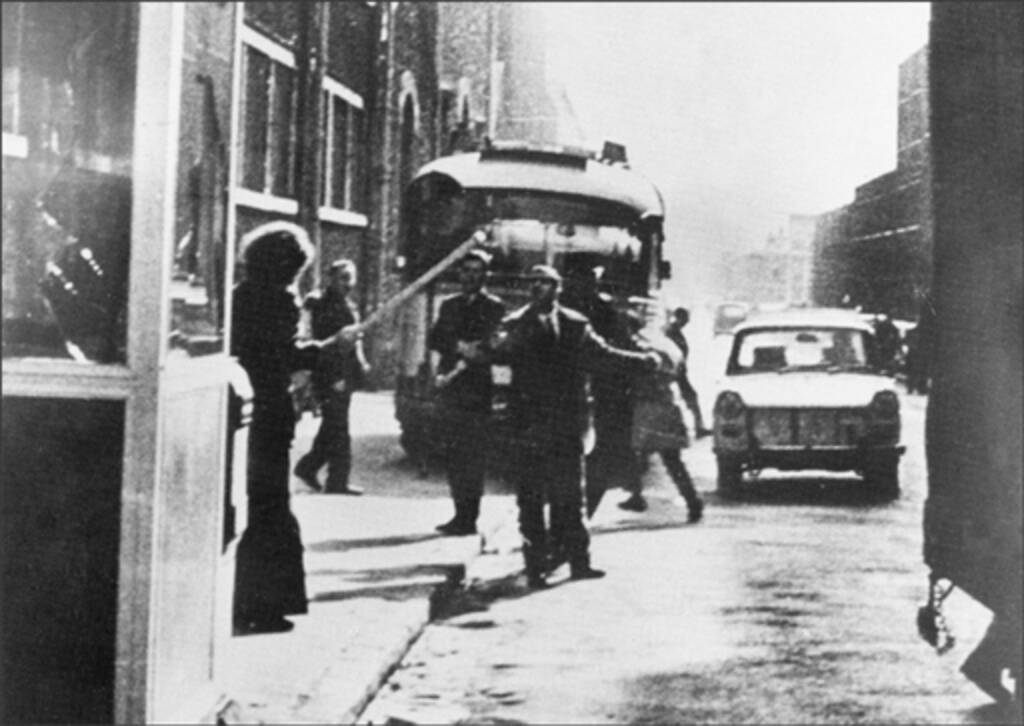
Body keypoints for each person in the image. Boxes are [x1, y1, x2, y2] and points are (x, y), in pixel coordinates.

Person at [491, 265, 660, 589]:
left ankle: (579, 563)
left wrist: (642, 361)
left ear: (558, 288)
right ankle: (536, 567)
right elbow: (499, 366)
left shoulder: (575, 326)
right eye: (534, 283)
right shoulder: (514, 326)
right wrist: (500, 402)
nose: (539, 288)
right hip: (527, 425)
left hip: (567, 424)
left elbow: (604, 356)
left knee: (570, 498)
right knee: (531, 501)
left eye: (546, 283)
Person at [230, 221, 334, 635]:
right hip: (271, 410)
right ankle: (266, 604)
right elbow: (284, 355)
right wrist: (323, 349)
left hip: (243, 407)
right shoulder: (283, 301)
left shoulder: (240, 294)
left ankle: (242, 600)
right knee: (272, 503)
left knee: (251, 501)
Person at [427, 250, 506, 535]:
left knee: (473, 455)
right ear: (459, 274)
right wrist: (459, 346)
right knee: (453, 453)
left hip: (477, 389)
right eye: (466, 270)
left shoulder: (494, 306)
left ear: (485, 276)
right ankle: (459, 513)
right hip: (452, 387)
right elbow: (435, 337)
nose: (470, 276)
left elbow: (494, 341)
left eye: (477, 271)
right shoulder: (449, 306)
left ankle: (469, 517)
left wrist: (479, 350)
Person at [560, 264, 636, 518]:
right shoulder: (568, 310)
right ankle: (576, 518)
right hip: (575, 391)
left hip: (600, 389)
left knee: (600, 456)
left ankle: (579, 517)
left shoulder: (603, 310)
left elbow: (614, 349)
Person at [618, 308, 705, 521]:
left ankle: (642, 497)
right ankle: (690, 500)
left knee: (643, 455)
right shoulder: (662, 344)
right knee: (668, 459)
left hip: (650, 408)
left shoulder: (640, 347)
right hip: (667, 405)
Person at [293, 259, 370, 495]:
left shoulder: (350, 305)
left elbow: (354, 340)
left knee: (333, 425)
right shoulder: (318, 302)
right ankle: (336, 481)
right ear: (331, 279)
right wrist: (330, 376)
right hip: (328, 373)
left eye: (352, 278)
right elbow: (315, 338)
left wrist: (361, 362)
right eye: (343, 278)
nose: (349, 283)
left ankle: (309, 467)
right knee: (339, 427)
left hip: (346, 373)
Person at [664, 306, 712, 438]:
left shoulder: (674, 331)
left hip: (678, 371)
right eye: (685, 319)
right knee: (686, 398)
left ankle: (697, 426)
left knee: (687, 397)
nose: (687, 322)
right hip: (674, 371)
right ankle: (695, 428)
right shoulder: (671, 332)